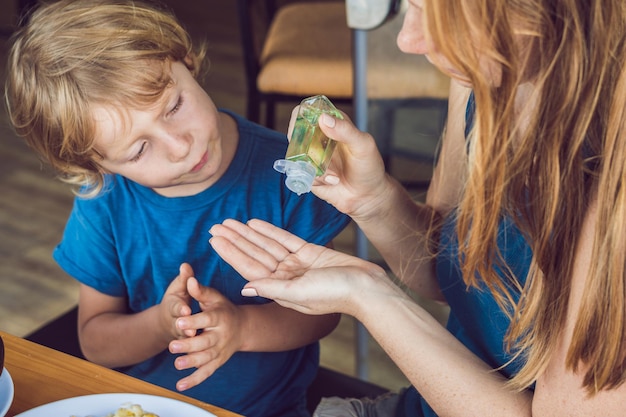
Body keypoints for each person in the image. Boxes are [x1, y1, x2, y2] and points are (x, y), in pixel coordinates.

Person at [207, 0, 626, 415]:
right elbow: (450, 277)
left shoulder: (614, 191)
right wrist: (373, 201)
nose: (409, 39)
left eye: (438, 15)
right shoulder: (485, 76)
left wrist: (369, 296)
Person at [4, 1, 352, 416]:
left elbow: (327, 313)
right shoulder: (104, 202)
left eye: (173, 107)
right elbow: (96, 344)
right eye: (138, 150)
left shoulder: (289, 178)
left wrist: (242, 329)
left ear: (186, 60)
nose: (179, 146)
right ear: (96, 167)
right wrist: (161, 324)